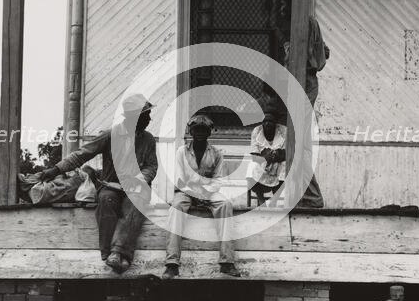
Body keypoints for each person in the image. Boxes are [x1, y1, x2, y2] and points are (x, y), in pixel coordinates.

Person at [41, 93, 157, 273]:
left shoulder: (148, 139)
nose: (149, 118)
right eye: (146, 115)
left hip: (136, 188)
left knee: (136, 204)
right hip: (111, 185)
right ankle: (108, 254)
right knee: (106, 200)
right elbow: (82, 154)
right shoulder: (111, 135)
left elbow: (151, 166)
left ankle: (119, 253)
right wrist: (56, 170)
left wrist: (139, 180)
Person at [162, 114, 240, 279]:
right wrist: (193, 191)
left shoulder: (217, 153)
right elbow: (179, 180)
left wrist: (206, 191)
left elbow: (218, 180)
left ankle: (227, 262)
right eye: (196, 130)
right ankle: (171, 264)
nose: (199, 134)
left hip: (208, 191)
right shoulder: (181, 152)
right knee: (176, 208)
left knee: (225, 204)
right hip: (186, 191)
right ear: (191, 131)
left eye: (203, 130)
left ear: (209, 133)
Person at [273, 0, 329, 208]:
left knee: (297, 144)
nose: (281, 10)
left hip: (302, 85)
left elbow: (312, 57)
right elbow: (322, 53)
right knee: (297, 143)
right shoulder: (305, 24)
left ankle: (311, 196)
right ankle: (305, 194)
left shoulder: (301, 24)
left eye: (283, 4)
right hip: (301, 85)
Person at [246, 111, 286, 206]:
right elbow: (254, 156)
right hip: (262, 162)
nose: (267, 124)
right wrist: (265, 158)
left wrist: (277, 155)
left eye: (270, 121)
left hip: (278, 162)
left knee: (286, 166)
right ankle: (261, 200)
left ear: (275, 123)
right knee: (251, 166)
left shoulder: (283, 131)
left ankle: (274, 201)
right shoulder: (257, 131)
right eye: (265, 121)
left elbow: (288, 152)